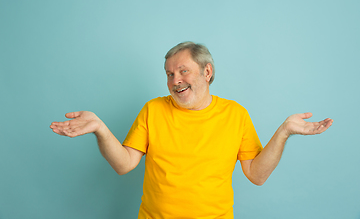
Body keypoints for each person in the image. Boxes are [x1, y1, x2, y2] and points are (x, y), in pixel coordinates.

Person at [50, 42, 333, 219]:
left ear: (206, 72)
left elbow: (256, 175)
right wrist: (100, 128)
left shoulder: (235, 114)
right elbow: (125, 164)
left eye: (183, 71)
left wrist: (284, 132)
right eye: (169, 74)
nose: (175, 80)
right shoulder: (153, 109)